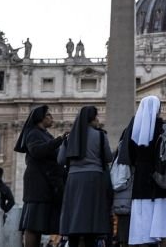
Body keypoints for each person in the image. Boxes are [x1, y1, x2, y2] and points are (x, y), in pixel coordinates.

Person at [124, 95, 166, 246]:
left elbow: (129, 157)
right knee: (165, 226)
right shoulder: (165, 128)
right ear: (158, 109)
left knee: (143, 228)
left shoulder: (132, 130)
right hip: (163, 179)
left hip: (142, 179)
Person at [58, 106, 113, 247]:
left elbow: (61, 160)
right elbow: (108, 157)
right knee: (91, 221)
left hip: (73, 180)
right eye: (96, 117)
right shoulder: (100, 135)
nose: (97, 120)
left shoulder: (70, 137)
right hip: (94, 179)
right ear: (91, 118)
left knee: (74, 220)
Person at [15, 105, 68, 247]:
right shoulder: (33, 133)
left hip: (47, 181)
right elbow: (37, 151)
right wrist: (59, 140)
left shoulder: (45, 134)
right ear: (40, 118)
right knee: (33, 224)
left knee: (39, 224)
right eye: (49, 115)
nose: (52, 117)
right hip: (38, 183)